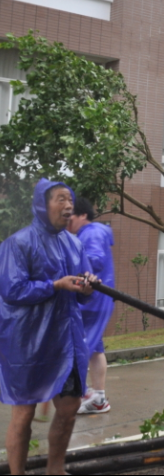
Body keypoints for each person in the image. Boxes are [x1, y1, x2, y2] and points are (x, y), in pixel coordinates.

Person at [0, 179, 99, 475]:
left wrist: (88, 287)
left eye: (70, 199)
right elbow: (11, 290)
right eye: (60, 199)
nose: (68, 206)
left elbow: (82, 289)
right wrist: (55, 285)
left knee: (68, 410)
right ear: (42, 205)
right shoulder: (18, 243)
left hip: (66, 339)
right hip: (27, 341)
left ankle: (55, 470)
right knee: (24, 412)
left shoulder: (74, 243)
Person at [67, 197, 115, 415]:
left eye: (71, 217)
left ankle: (84, 393)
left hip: (92, 300)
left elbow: (95, 260)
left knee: (79, 345)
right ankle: (98, 399)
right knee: (95, 348)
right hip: (97, 299)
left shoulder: (91, 232)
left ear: (83, 215)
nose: (68, 223)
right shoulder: (93, 232)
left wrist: (72, 267)